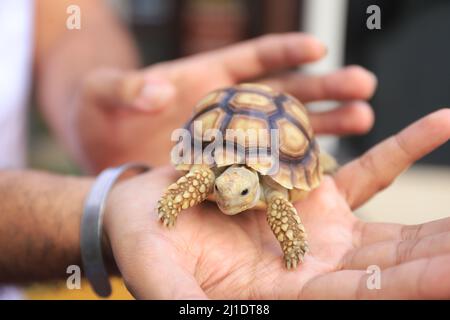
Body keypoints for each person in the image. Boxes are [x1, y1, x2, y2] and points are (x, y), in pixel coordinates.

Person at [0, 0, 449, 299]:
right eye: (225, 192)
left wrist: (85, 96)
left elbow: (67, 19)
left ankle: (322, 160)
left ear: (252, 186)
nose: (229, 200)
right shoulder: (210, 179)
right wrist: (107, 207)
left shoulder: (269, 191)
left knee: (296, 188)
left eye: (238, 194)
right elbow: (201, 179)